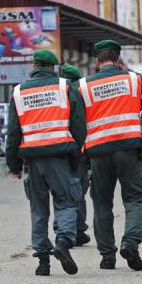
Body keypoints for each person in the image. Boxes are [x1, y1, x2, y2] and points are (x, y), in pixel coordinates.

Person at [5, 50, 87, 276]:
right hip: (60, 156)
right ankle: (63, 242)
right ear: (53, 67)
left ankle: (43, 262)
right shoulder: (64, 87)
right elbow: (79, 124)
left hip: (32, 160)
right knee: (67, 201)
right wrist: (75, 151)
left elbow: (13, 133)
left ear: (35, 66)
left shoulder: (19, 92)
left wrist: (13, 165)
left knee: (38, 210)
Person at [79, 39, 142, 271]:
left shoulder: (83, 86)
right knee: (137, 198)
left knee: (101, 203)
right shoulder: (133, 79)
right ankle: (130, 243)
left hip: (98, 152)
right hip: (128, 149)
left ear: (97, 60)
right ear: (118, 59)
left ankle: (107, 256)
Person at [52, 64, 91, 247]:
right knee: (77, 192)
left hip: (59, 150)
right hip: (79, 152)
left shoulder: (59, 94)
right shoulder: (82, 95)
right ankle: (78, 229)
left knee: (60, 192)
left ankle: (61, 225)